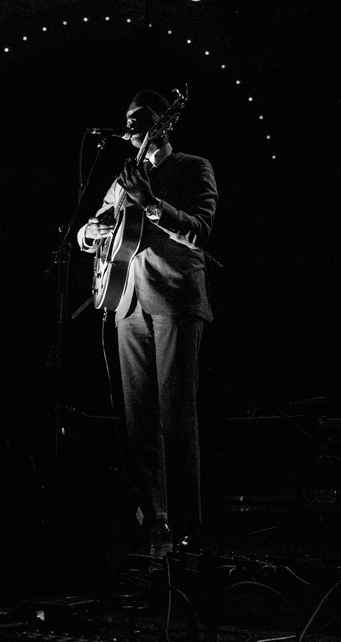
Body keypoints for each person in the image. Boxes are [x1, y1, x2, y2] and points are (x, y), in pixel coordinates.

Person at [76, 90, 217, 554]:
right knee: (138, 424)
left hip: (175, 298)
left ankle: (187, 527)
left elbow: (199, 231)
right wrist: (87, 233)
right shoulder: (122, 177)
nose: (131, 123)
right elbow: (95, 223)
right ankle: (153, 522)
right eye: (128, 117)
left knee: (176, 417)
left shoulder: (193, 166)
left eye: (141, 116)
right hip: (125, 302)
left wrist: (151, 202)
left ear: (164, 123)